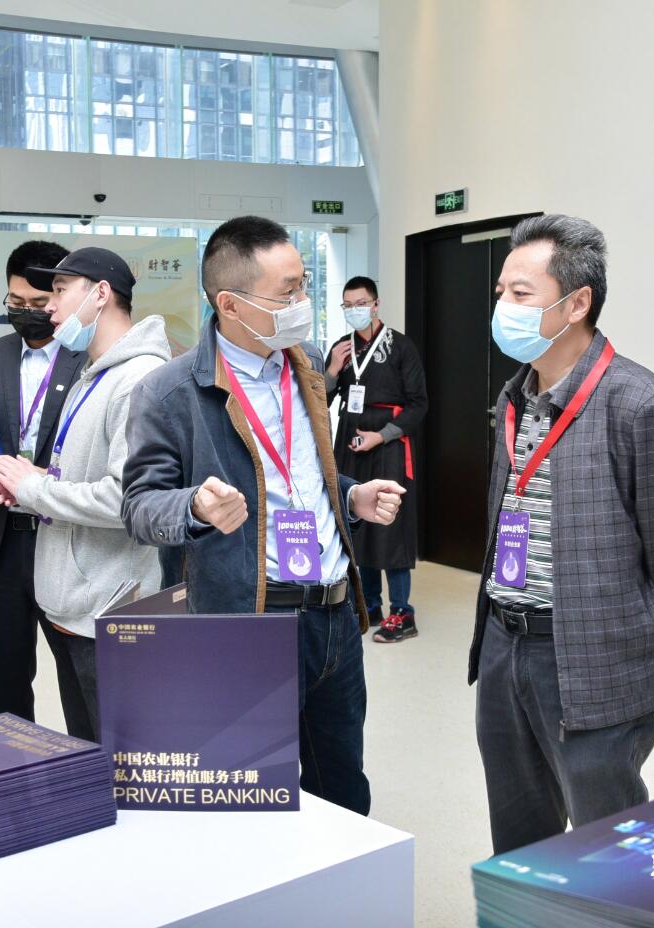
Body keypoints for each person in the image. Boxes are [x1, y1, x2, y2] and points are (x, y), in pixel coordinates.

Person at [120, 215, 406, 816]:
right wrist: (195, 506)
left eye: (304, 286)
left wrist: (350, 496)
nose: (303, 303)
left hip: (334, 615)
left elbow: (304, 480)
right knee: (250, 798)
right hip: (250, 620)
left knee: (342, 791)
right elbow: (140, 507)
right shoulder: (170, 393)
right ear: (230, 304)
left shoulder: (305, 367)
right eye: (288, 291)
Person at [471, 214, 654, 855]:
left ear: (577, 303)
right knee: (520, 842)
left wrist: (638, 622)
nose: (503, 306)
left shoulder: (640, 403)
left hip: (593, 654)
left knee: (608, 845)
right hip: (504, 642)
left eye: (520, 293)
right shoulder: (515, 396)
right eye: (501, 291)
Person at [0, 247, 171, 742]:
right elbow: (82, 476)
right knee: (88, 748)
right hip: (76, 605)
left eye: (60, 291)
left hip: (109, 609)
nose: (49, 305)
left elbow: (129, 499)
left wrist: (35, 487)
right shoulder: (96, 373)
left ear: (100, 294)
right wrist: (26, 487)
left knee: (119, 756)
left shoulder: (137, 379)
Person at [0, 240, 88, 736]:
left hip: (64, 540)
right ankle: (14, 768)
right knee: (7, 683)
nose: (27, 312)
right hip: (0, 546)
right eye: (16, 302)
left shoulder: (87, 359)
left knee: (80, 677)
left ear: (62, 296)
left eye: (38, 303)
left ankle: (87, 766)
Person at [325, 275, 428, 642]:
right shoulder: (341, 349)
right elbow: (320, 401)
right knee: (359, 524)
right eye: (348, 305)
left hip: (388, 446)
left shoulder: (401, 347)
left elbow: (419, 405)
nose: (355, 310)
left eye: (361, 303)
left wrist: (380, 436)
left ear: (375, 304)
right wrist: (332, 371)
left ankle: (402, 611)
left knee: (390, 524)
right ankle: (370, 604)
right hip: (350, 443)